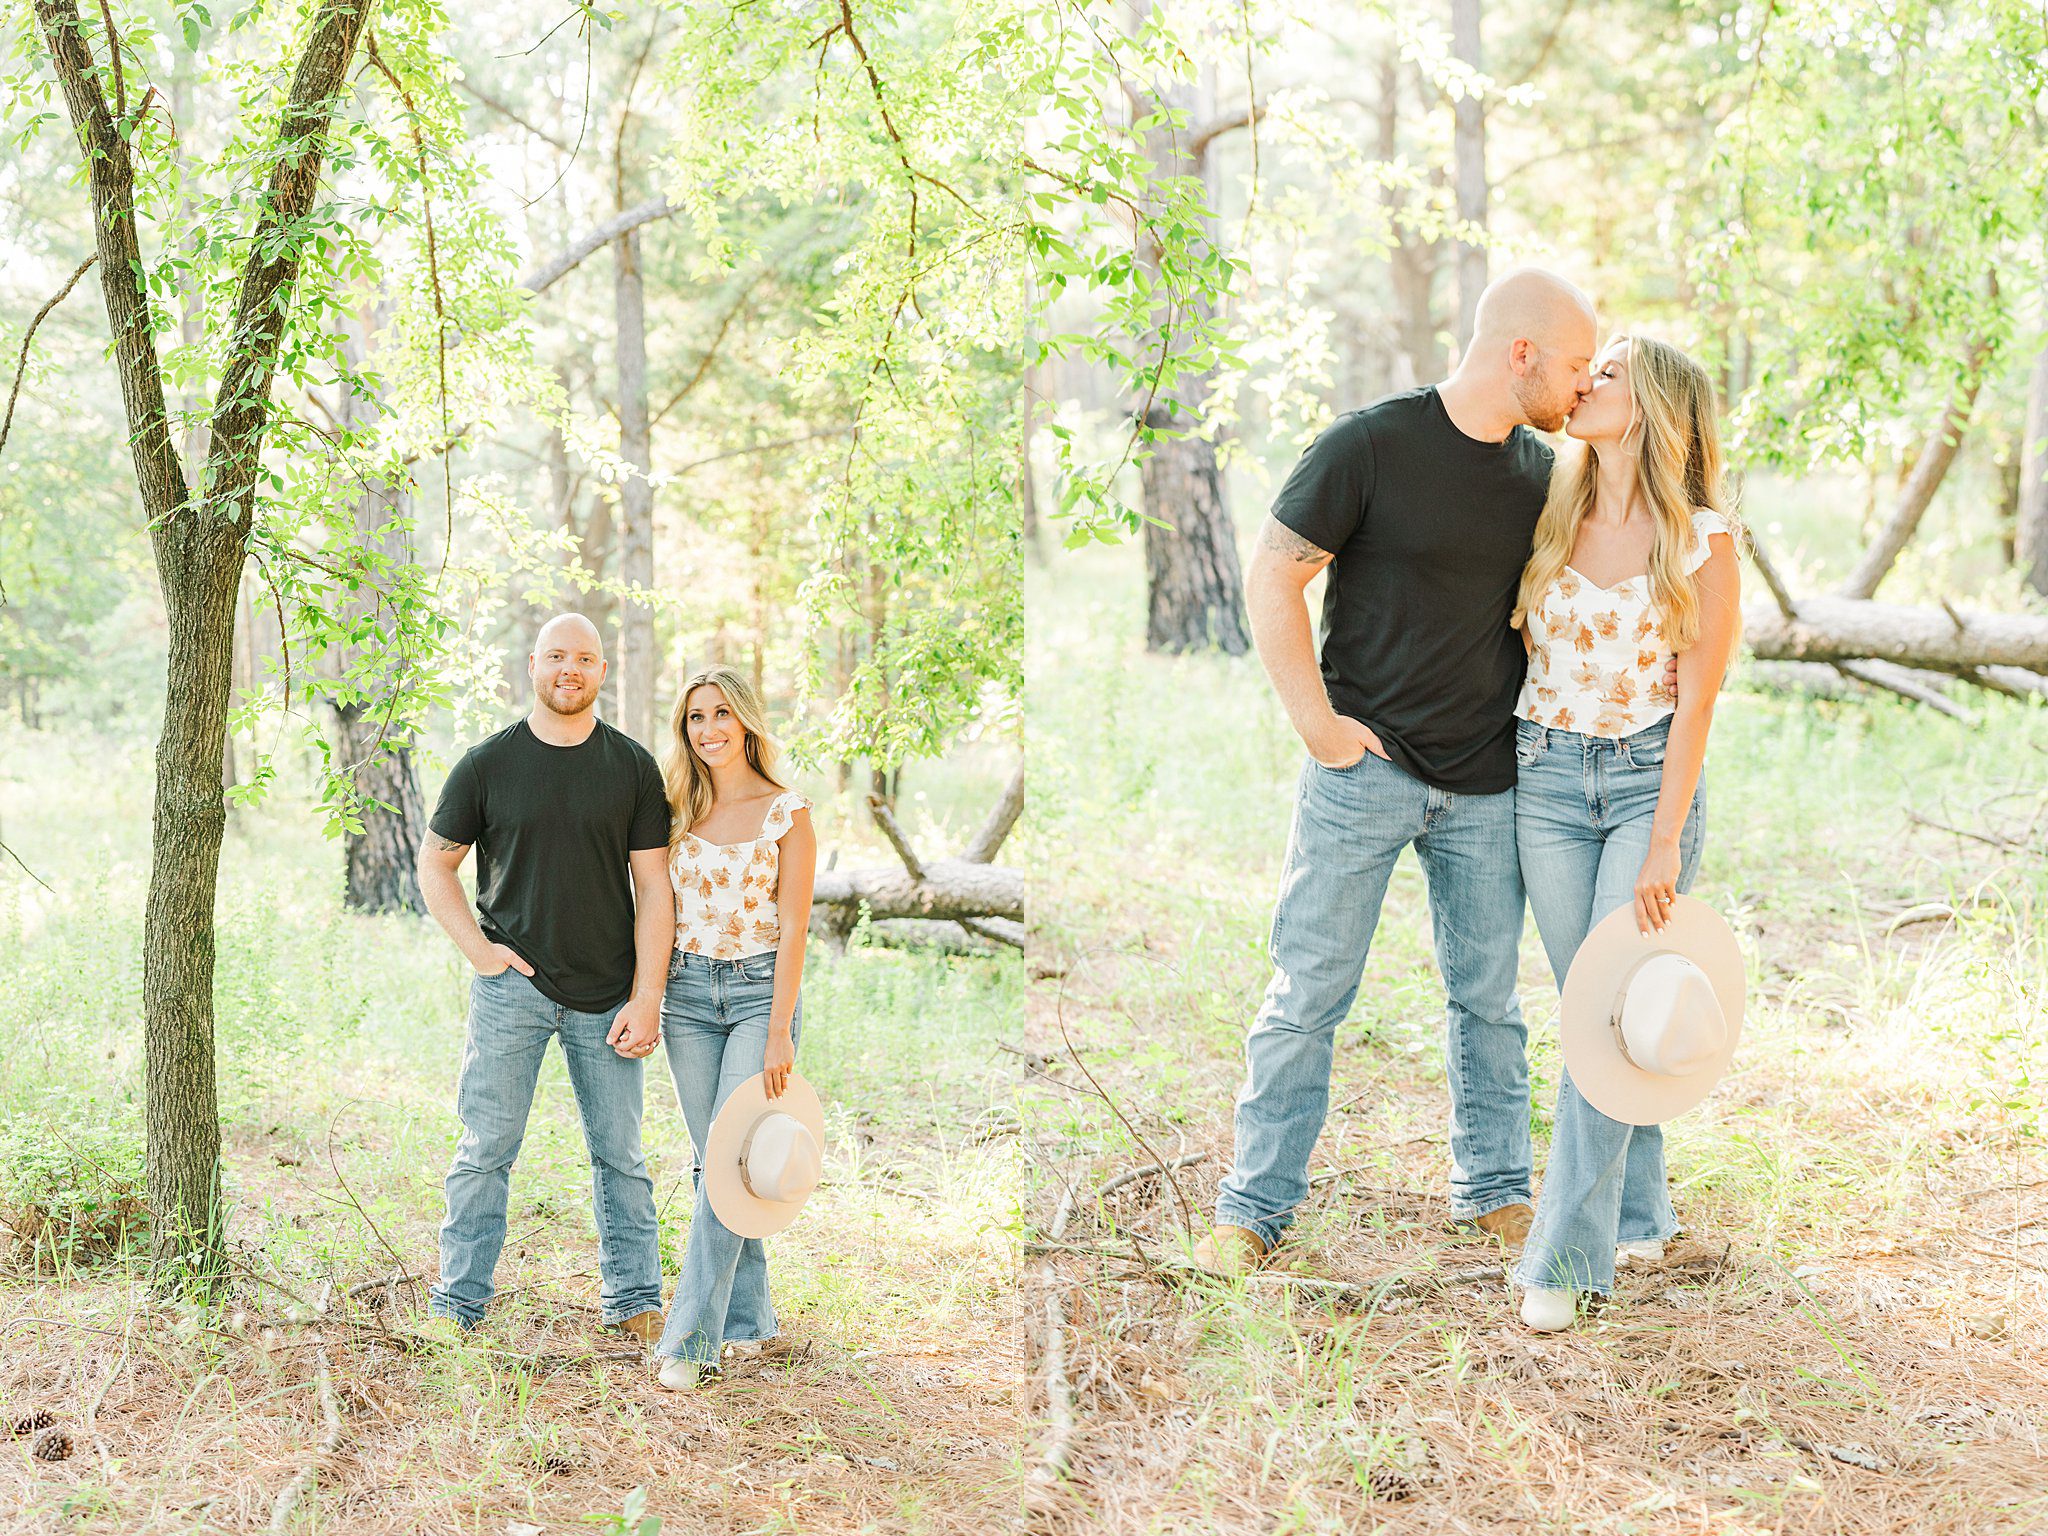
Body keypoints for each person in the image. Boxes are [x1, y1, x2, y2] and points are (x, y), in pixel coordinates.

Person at [1196, 269, 1601, 1275]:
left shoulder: (1540, 475)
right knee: (1308, 991)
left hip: (1487, 781)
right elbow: (1272, 573)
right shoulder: (1368, 444)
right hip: (1362, 772)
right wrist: (1318, 726)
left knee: (1487, 1003)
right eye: (1574, 366)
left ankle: (1494, 1193)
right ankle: (1250, 1213)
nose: (1580, 388)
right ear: (1520, 352)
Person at [1507, 335, 1741, 1330]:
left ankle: (1563, 1264)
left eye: (1604, 373)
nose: (1583, 380)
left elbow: (1695, 706)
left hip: (1646, 787)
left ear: (1647, 405)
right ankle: (1641, 1211)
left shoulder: (1700, 539)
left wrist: (1661, 842)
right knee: (1590, 1013)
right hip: (1546, 782)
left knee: (1604, 1014)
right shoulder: (1548, 509)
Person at [417, 613, 676, 1342]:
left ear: (602, 673)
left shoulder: (630, 766)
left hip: (611, 995)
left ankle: (634, 1301)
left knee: (620, 1156)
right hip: (513, 990)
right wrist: (480, 952)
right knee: (485, 1149)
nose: (571, 669)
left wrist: (647, 995)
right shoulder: (486, 765)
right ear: (531, 665)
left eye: (586, 659)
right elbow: (436, 864)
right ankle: (459, 1304)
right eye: (557, 656)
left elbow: (654, 886)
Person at [650, 666, 818, 1390]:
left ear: (746, 720)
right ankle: (751, 1321)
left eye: (722, 713)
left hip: (757, 996)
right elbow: (653, 907)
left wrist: (779, 1028)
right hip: (687, 994)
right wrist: (646, 996)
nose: (709, 728)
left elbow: (796, 926)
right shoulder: (674, 810)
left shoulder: (788, 812)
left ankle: (688, 1345)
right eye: (695, 717)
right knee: (714, 1159)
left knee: (726, 1160)